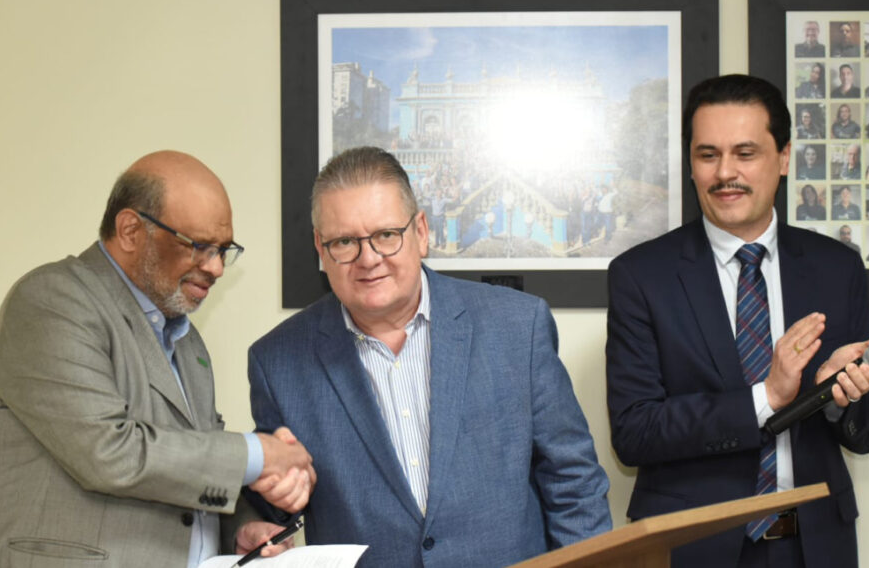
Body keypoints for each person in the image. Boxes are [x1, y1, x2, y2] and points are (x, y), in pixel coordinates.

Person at [0, 150, 316, 568]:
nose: (216, 267)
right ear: (130, 230)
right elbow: (110, 452)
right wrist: (258, 456)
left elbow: (189, 462)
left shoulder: (187, 341)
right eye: (199, 246)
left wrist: (239, 530)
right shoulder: (51, 301)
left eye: (223, 250)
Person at [247, 146, 612, 567]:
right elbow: (274, 507)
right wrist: (263, 514)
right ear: (320, 247)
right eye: (345, 242)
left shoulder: (517, 327)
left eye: (386, 235)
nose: (369, 259)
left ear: (420, 231)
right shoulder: (277, 362)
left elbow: (574, 484)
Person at [606, 74, 869, 568]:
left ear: (784, 157)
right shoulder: (641, 275)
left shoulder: (837, 267)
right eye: (707, 154)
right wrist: (767, 397)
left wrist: (837, 396)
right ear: (690, 163)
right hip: (693, 548)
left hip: (816, 546)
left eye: (745, 153)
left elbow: (866, 434)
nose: (724, 173)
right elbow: (634, 433)